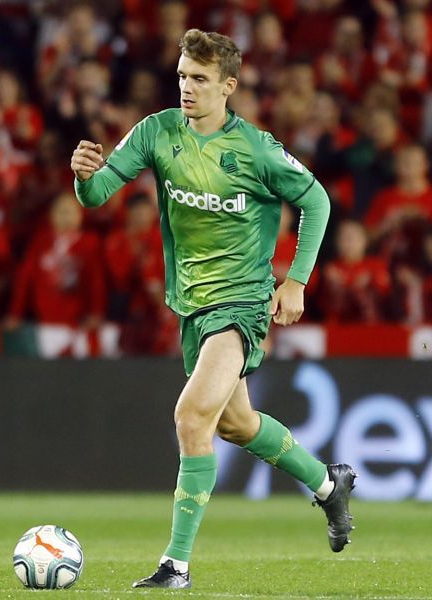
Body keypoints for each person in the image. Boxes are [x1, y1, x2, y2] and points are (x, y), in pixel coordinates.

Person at [69, 29, 356, 589]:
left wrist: (295, 280)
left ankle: (175, 565)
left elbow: (316, 199)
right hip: (193, 306)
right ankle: (328, 485)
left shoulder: (256, 148)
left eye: (199, 79)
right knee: (237, 424)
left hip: (242, 302)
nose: (187, 87)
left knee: (190, 417)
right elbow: (101, 193)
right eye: (182, 76)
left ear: (228, 86)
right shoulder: (157, 132)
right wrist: (83, 178)